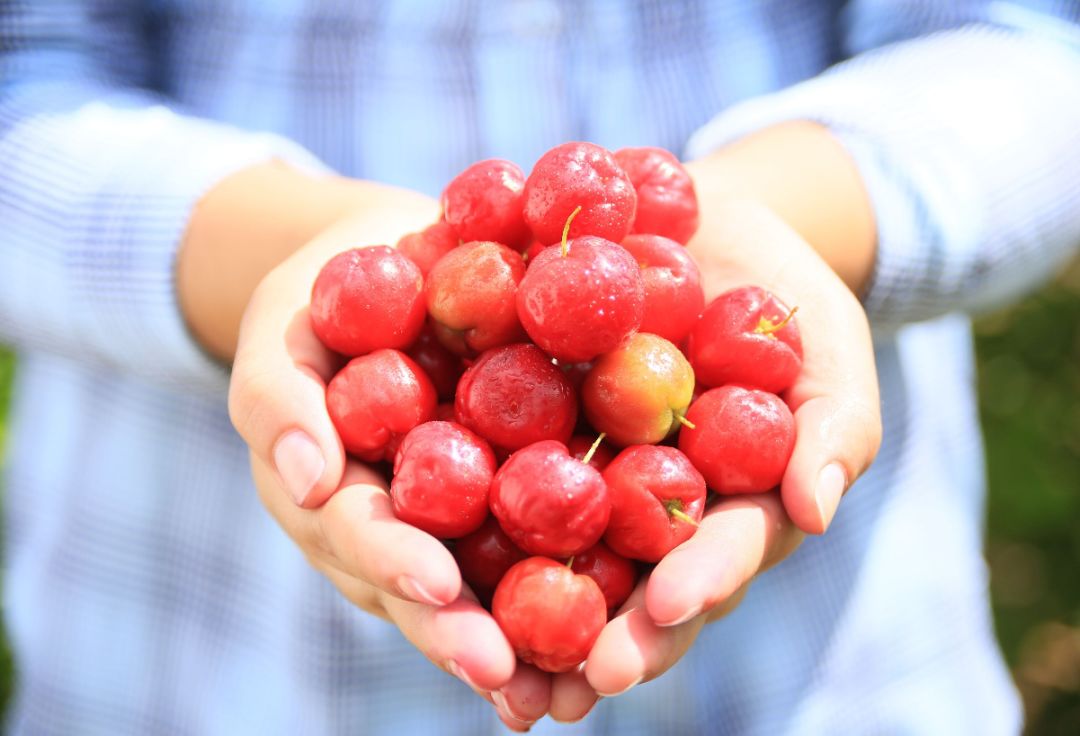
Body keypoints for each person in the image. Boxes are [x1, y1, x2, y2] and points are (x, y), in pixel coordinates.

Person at [1, 1, 1078, 733]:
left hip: (835, 684)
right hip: (199, 665)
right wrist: (277, 257)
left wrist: (795, 214)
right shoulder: (465, 322)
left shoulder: (649, 343)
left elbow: (1035, 50)